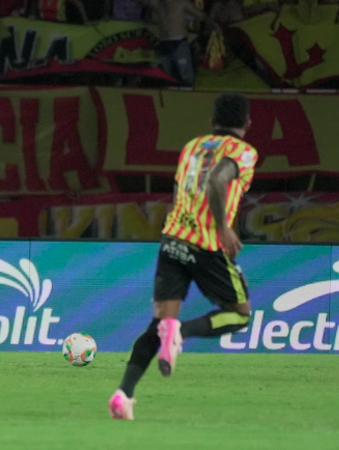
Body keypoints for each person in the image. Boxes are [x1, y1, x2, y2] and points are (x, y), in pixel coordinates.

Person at [109, 93, 259, 420]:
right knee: (240, 314)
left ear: (211, 122)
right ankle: (182, 332)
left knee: (159, 323)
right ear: (247, 124)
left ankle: (123, 394)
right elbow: (218, 180)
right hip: (207, 244)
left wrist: (184, 227)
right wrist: (222, 228)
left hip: (174, 237)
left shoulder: (192, 146)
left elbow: (181, 194)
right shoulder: (243, 151)